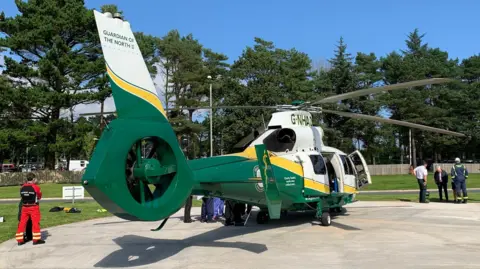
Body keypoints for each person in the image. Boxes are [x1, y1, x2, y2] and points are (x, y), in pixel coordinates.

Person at [16, 172, 45, 245]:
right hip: (33, 206)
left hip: (24, 207)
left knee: (22, 223)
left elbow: (22, 196)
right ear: (34, 179)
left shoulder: (22, 187)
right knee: (35, 223)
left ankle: (20, 240)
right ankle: (36, 239)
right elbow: (39, 196)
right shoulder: (36, 187)